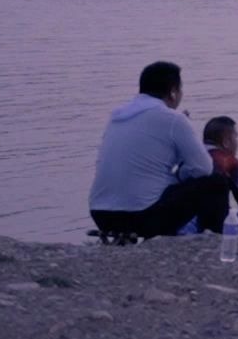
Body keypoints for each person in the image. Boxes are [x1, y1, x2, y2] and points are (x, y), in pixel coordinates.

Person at [88, 61, 226, 239]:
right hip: (141, 217)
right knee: (216, 182)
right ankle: (212, 244)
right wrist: (181, 172)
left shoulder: (117, 116)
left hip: (101, 215)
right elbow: (204, 168)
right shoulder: (174, 119)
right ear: (173, 92)